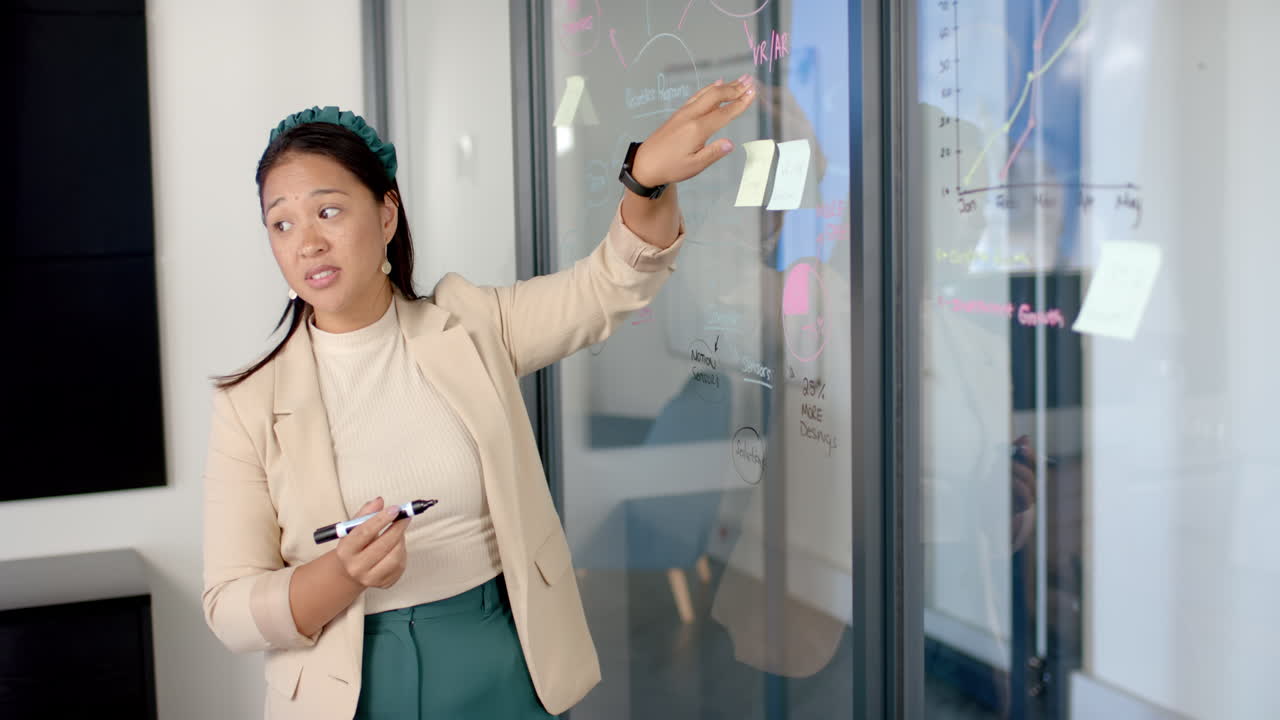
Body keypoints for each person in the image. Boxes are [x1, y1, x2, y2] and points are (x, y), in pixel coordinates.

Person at [201, 76, 758, 719]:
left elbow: (608, 287)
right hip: (347, 686)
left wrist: (645, 181)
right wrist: (341, 576)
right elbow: (229, 609)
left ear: (386, 215)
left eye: (328, 211)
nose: (307, 243)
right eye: (281, 223)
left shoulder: (471, 326)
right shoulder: (249, 403)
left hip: (500, 656)